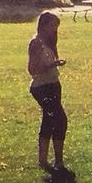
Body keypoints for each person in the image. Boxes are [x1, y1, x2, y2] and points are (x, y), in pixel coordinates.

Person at [28, 10, 68, 171]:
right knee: (59, 120)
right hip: (41, 87)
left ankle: (45, 160)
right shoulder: (36, 43)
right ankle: (56, 161)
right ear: (43, 25)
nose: (54, 29)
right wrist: (52, 65)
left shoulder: (50, 42)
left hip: (53, 84)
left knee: (50, 120)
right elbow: (32, 70)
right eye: (52, 25)